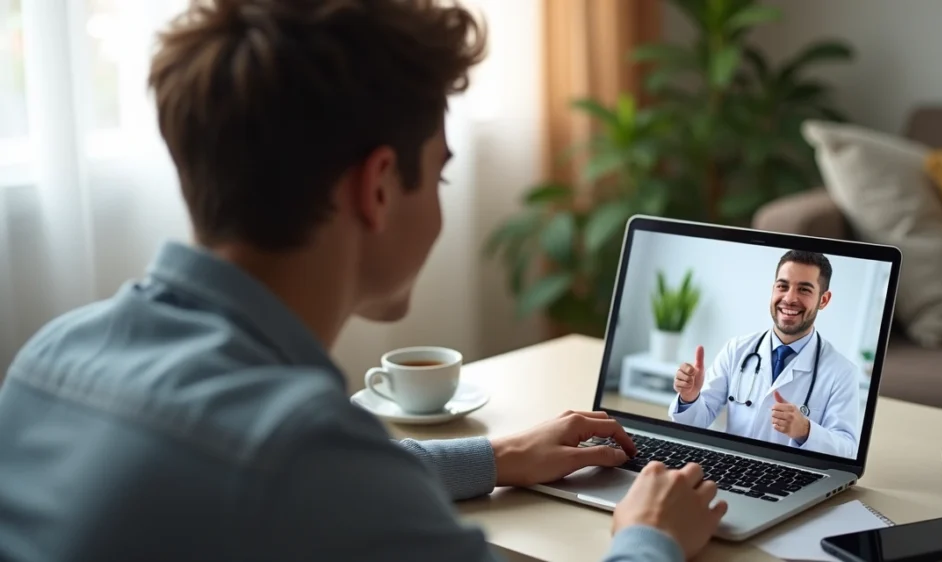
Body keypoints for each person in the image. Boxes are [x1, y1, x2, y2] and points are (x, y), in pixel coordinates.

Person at [0, 1, 729, 561]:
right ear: (377, 187)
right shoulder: (303, 453)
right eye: (439, 173)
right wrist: (649, 535)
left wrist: (495, 457)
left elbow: (325, 481)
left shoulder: (52, 356)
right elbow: (317, 477)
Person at [669, 251, 862, 458]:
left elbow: (848, 450)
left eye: (804, 289)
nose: (789, 298)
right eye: (783, 286)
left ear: (823, 300)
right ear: (773, 290)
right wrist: (689, 398)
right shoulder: (736, 350)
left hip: (792, 477)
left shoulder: (842, 372)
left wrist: (805, 431)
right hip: (730, 466)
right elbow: (694, 422)